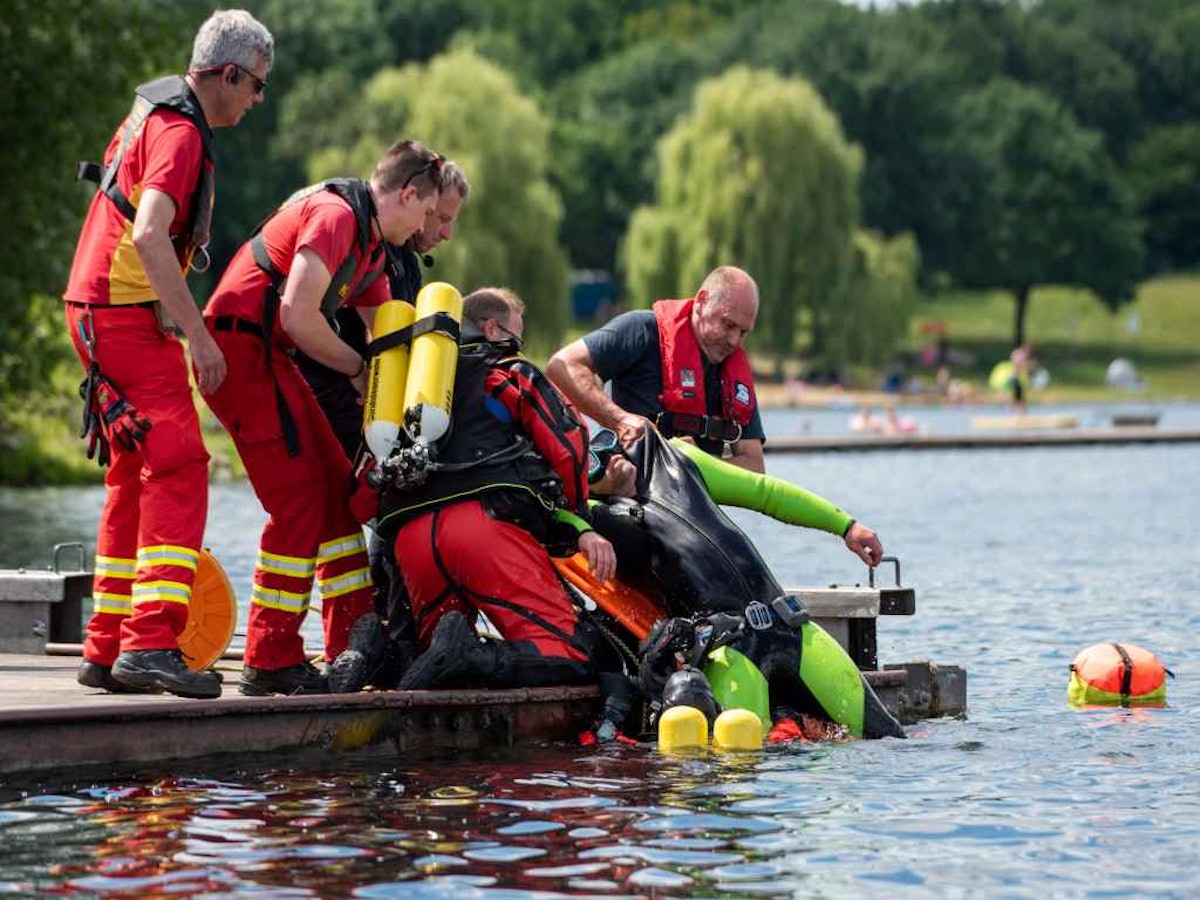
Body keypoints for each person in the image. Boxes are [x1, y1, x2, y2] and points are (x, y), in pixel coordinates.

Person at [64, 10, 274, 698]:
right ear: (230, 74)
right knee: (181, 459)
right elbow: (153, 237)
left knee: (132, 473)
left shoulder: (152, 112)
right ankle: (151, 644)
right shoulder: (182, 134)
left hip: (95, 308)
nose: (256, 101)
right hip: (121, 315)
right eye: (257, 87)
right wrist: (198, 336)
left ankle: (107, 645)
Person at [201, 139, 443, 695]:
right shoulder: (336, 216)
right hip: (242, 352)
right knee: (299, 500)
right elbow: (297, 313)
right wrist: (359, 368)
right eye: (427, 214)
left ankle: (351, 648)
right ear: (407, 195)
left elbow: (383, 327)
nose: (425, 230)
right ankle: (269, 657)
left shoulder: (374, 246)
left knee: (337, 492)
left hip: (272, 356)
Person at [346, 288, 616, 693]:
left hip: (411, 542)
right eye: (516, 336)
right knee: (567, 654)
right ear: (492, 328)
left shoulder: (404, 394)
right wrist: (576, 518)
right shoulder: (505, 370)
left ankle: (370, 655)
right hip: (485, 531)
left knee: (425, 662)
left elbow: (361, 495)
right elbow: (570, 444)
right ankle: (473, 656)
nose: (517, 345)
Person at [585, 428, 905, 739]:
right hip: (730, 650)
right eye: (590, 463)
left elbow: (764, 492)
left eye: (605, 442)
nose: (606, 456)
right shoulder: (592, 522)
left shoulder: (674, 458)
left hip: (792, 628)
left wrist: (845, 527)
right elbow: (552, 523)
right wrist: (581, 525)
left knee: (888, 738)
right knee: (741, 756)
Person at [295, 161, 471, 459]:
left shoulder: (402, 260)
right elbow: (382, 335)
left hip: (364, 404)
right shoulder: (374, 246)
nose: (447, 233)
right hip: (341, 401)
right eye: (440, 217)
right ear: (419, 201)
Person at [547, 266, 767, 472]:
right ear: (701, 302)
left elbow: (754, 466)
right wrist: (621, 421)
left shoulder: (734, 376)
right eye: (728, 325)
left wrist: (699, 463)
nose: (734, 340)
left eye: (743, 332)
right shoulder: (642, 330)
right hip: (630, 494)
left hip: (693, 505)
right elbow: (562, 366)